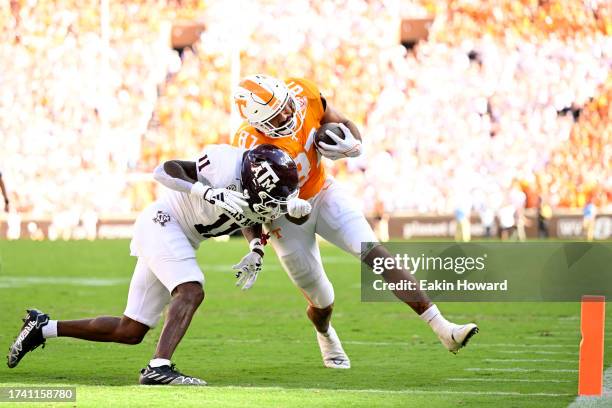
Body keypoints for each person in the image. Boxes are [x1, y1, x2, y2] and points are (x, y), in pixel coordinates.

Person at [7, 144, 310, 385]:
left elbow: (253, 215)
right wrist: (203, 190)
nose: (273, 208)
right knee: (190, 290)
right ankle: (158, 367)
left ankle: (43, 328)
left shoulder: (256, 189)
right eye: (270, 199)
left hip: (181, 236)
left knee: (130, 331)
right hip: (164, 222)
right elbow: (164, 171)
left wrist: (256, 247)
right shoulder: (224, 164)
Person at [231, 74, 478, 369]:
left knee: (376, 253)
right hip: (284, 219)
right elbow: (247, 204)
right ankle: (324, 332)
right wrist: (256, 245)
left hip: (323, 192)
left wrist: (354, 145)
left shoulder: (304, 93)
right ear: (258, 123)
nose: (286, 115)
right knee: (322, 299)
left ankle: (443, 329)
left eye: (285, 106)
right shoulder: (247, 146)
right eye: (276, 115)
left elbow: (343, 122)